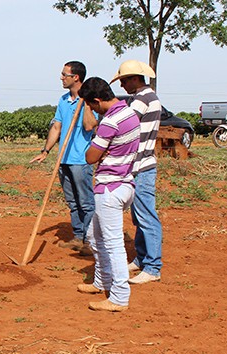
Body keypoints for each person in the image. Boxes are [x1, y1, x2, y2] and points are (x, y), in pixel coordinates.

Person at [75, 77, 140, 312]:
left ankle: (119, 297)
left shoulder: (110, 121)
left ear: (97, 100)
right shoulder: (130, 113)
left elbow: (90, 157)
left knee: (113, 244)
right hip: (124, 184)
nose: (92, 110)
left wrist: (99, 150)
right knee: (94, 236)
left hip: (110, 188)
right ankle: (101, 281)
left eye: (91, 105)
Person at [30, 61, 98, 255]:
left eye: (64, 74)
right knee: (73, 202)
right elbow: (56, 127)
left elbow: (90, 126)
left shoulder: (89, 99)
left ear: (75, 77)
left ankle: (90, 241)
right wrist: (46, 151)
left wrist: (85, 104)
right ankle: (78, 236)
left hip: (81, 160)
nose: (61, 78)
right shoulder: (63, 100)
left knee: (86, 202)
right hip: (64, 158)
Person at [111, 60, 163, 285]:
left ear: (134, 78)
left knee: (146, 216)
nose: (122, 85)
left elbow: (125, 124)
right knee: (139, 216)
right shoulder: (146, 97)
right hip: (140, 165)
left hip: (141, 166)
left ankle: (152, 267)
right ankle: (142, 258)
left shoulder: (142, 99)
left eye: (123, 80)